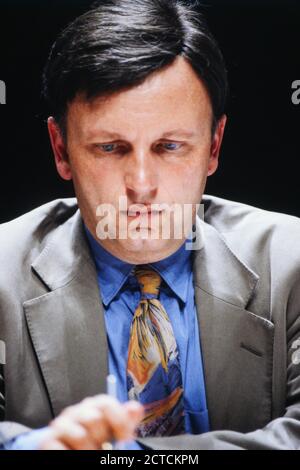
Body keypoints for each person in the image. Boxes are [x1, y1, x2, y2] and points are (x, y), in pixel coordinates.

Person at [0, 0, 300, 450]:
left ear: (213, 147)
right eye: (110, 148)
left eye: (170, 146)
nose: (141, 185)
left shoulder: (293, 262)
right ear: (60, 149)